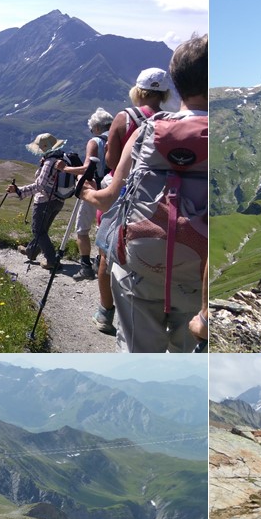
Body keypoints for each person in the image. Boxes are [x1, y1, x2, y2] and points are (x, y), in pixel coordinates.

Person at [78, 35, 207, 353]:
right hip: (196, 278)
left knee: (136, 352)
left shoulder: (147, 131)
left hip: (139, 265)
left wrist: (87, 194)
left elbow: (109, 198)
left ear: (176, 83)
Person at [92, 68, 171, 335]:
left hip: (122, 193)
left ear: (138, 90)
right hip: (157, 197)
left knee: (107, 251)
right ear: (165, 93)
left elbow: (112, 161)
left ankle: (106, 312)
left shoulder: (125, 118)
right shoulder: (169, 119)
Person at [57, 108, 113, 282]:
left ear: (96, 127)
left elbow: (87, 167)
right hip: (115, 187)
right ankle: (102, 261)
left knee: (82, 229)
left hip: (94, 187)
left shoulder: (95, 142)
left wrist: (64, 168)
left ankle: (86, 266)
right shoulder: (119, 139)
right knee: (107, 227)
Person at [8, 133, 70, 271]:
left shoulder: (49, 162)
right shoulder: (63, 157)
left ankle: (52, 260)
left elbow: (39, 186)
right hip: (59, 200)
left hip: (44, 201)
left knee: (38, 230)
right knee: (43, 230)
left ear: (44, 147)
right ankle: (31, 251)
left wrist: (19, 191)